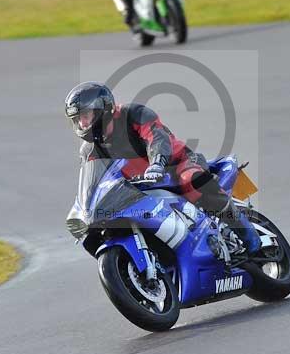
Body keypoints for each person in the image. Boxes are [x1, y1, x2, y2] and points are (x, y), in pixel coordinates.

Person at [65, 81, 261, 256]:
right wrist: (85, 207)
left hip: (176, 164)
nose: (82, 123)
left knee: (192, 181)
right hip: (139, 186)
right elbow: (93, 181)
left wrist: (157, 163)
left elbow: (156, 138)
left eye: (85, 116)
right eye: (77, 119)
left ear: (102, 109)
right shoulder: (90, 150)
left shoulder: (133, 114)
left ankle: (247, 234)